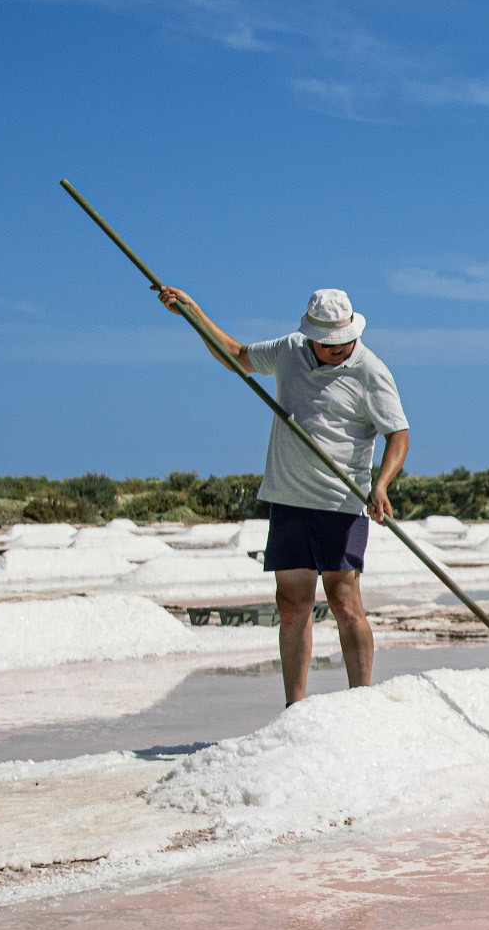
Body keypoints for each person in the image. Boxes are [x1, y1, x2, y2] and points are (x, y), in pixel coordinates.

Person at [152, 285, 409, 705]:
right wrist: (192, 314)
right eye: (328, 345)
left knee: (345, 603)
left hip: (339, 504)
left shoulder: (371, 371)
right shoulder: (290, 350)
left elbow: (398, 434)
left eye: (343, 342)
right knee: (292, 607)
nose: (337, 350)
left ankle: (362, 703)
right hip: (289, 500)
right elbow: (236, 357)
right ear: (310, 337)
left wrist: (380, 485)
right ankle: (296, 707)